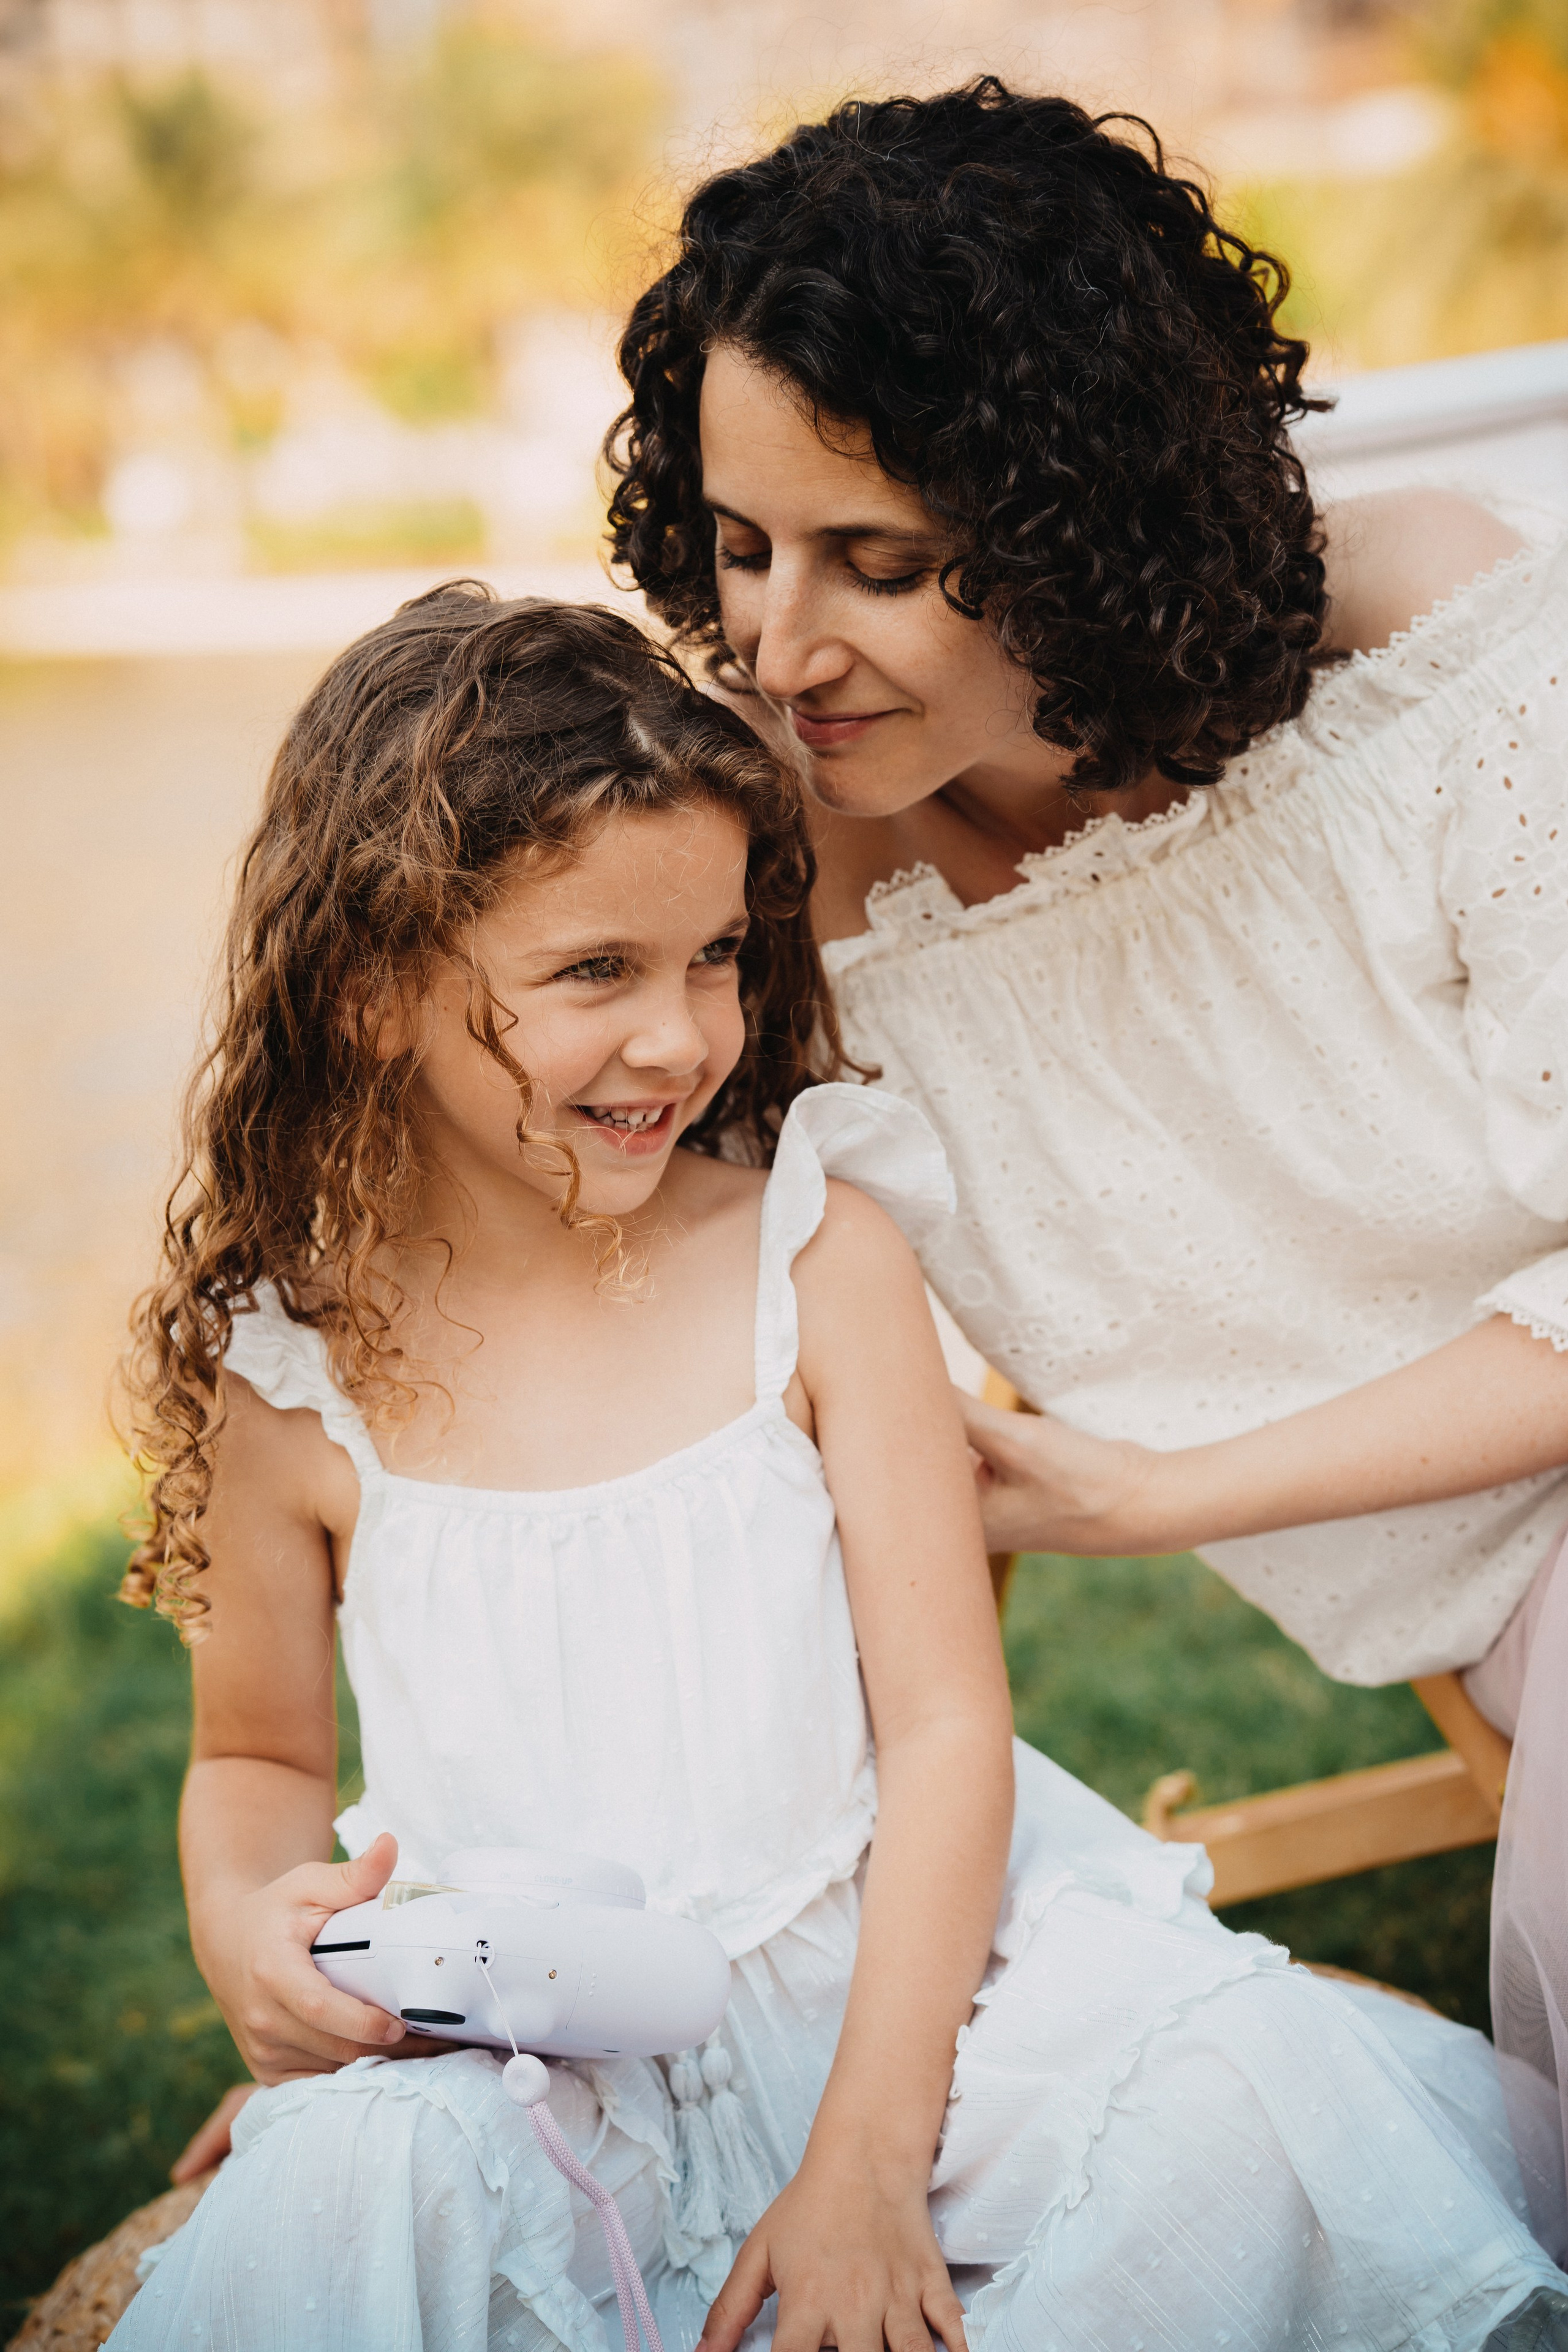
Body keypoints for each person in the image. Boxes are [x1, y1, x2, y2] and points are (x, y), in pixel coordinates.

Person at [110, 587, 1563, 2350]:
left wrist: (869, 2161)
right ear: (369, 993)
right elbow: (255, 1754)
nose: (682, 1036)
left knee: (1250, 2112)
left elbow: (948, 1728)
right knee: (342, 2205)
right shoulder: (295, 1374)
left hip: (920, 2007)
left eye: (715, 955)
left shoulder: (816, 1253)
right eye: (596, 972)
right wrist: (253, 1935)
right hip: (550, 2055)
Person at [605, 78, 1568, 2246]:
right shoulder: (786, 873)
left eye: (879, 562)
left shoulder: (1430, 641)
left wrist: (1157, 1495)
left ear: (1075, 516)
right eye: (744, 546)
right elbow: (625, 1371)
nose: (776, 647)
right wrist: (445, 1955)